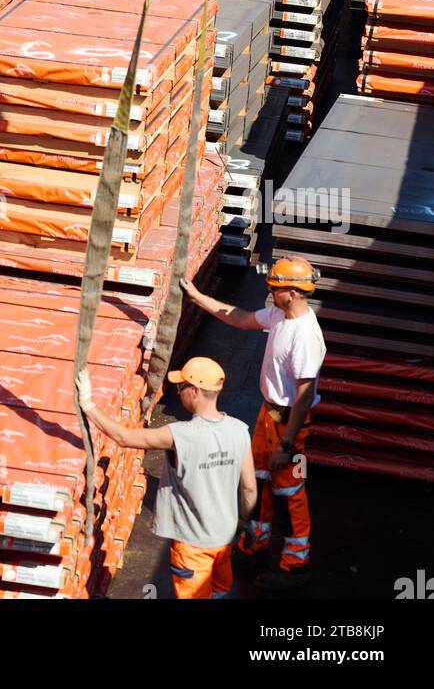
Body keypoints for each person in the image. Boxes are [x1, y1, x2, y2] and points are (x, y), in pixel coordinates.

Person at [180, 257, 326, 591]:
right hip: (269, 413)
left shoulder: (305, 337)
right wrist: (198, 297)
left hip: (290, 422)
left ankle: (295, 566)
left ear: (291, 292)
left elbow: (303, 397)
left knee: (289, 491)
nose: (270, 292)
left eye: (274, 288)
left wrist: (288, 445)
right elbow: (242, 318)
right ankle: (255, 544)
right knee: (258, 479)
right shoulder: (280, 316)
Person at [77, 356, 256, 601]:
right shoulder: (240, 430)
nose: (178, 392)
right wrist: (244, 523)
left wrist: (88, 405)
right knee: (220, 592)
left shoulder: (180, 435)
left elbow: (124, 438)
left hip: (193, 546)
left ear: (195, 391)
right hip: (224, 540)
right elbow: (249, 490)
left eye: (181, 387)